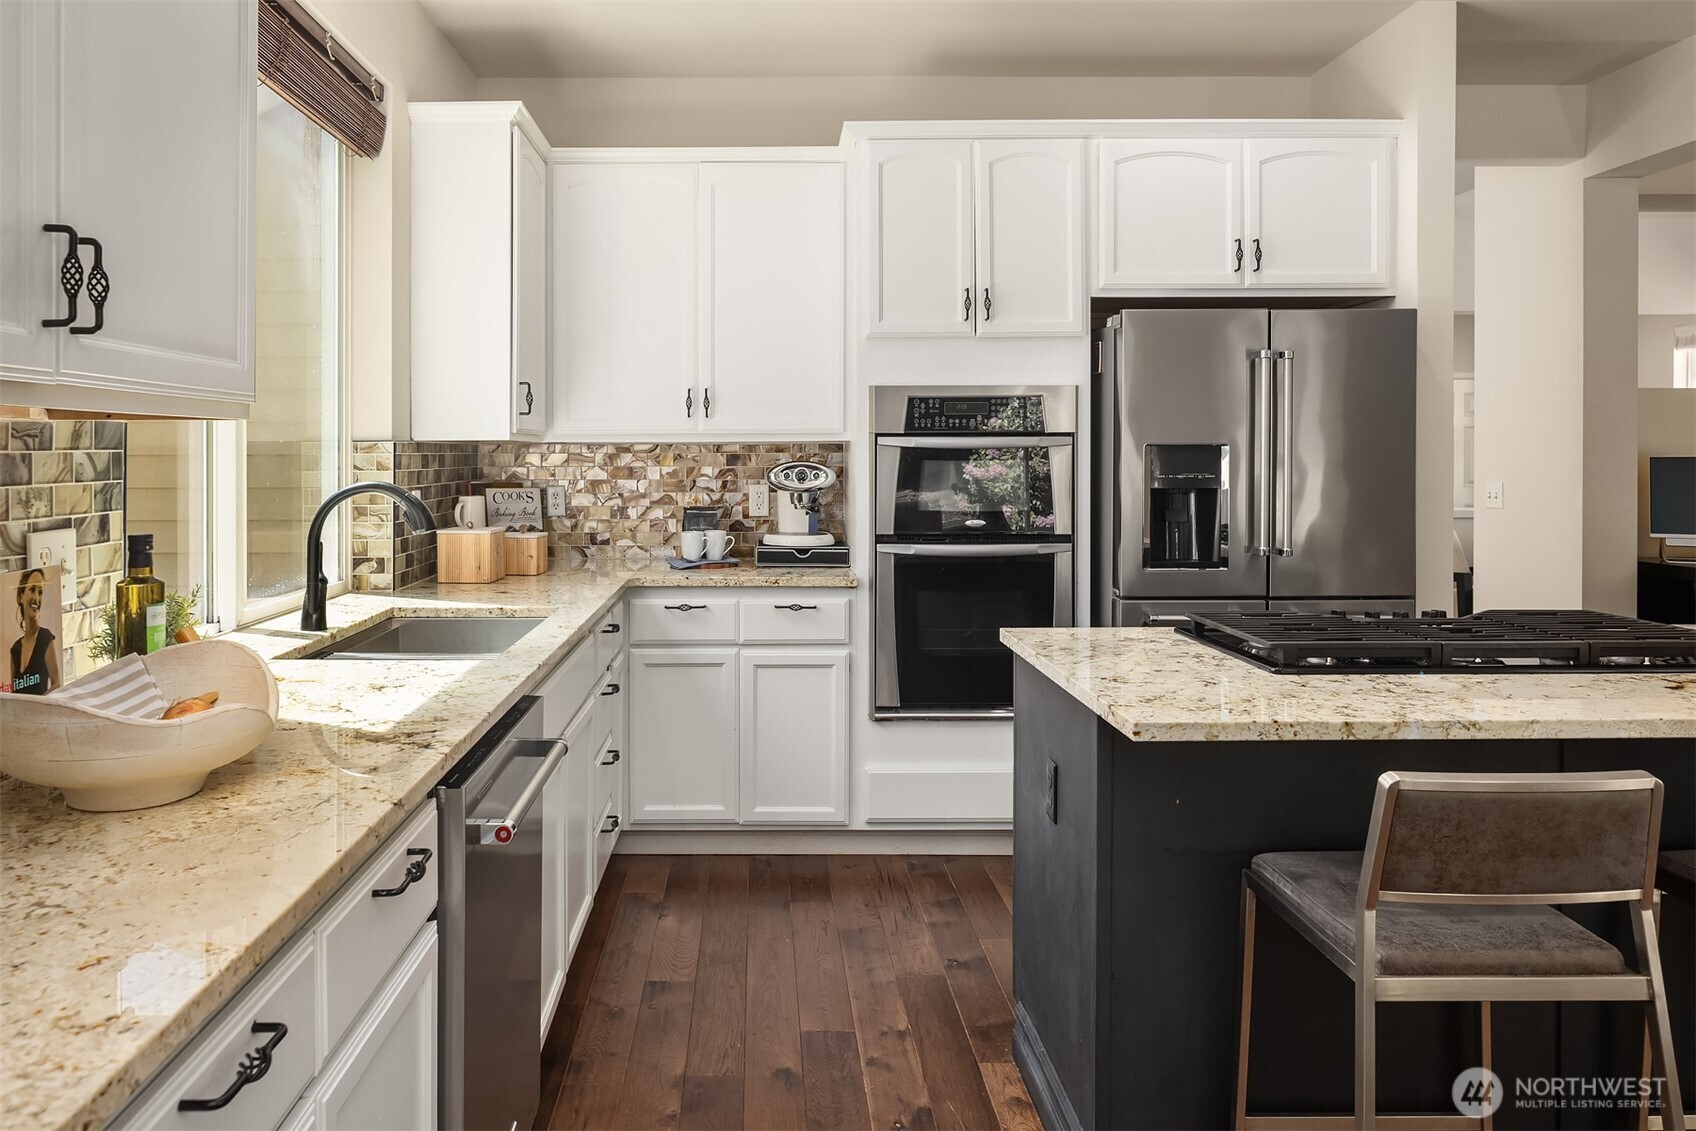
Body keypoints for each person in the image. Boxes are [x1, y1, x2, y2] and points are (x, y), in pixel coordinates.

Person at [9, 568, 60, 695]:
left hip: (39, 713)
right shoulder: (15, 649)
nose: (36, 597)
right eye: (32, 590)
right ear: (21, 597)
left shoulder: (45, 638)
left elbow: (57, 684)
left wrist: (35, 706)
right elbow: (14, 694)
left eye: (40, 592)